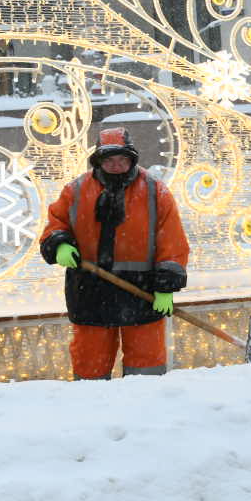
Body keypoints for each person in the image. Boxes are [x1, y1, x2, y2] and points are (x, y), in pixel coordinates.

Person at [38, 127, 190, 379]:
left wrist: (166, 284)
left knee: (146, 364)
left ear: (132, 159)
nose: (117, 166)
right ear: (98, 161)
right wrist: (59, 243)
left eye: (123, 160)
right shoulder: (75, 191)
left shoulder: (155, 192)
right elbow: (56, 224)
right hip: (90, 289)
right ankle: (94, 410)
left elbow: (172, 242)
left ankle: (144, 406)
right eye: (110, 160)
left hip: (142, 290)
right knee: (90, 364)